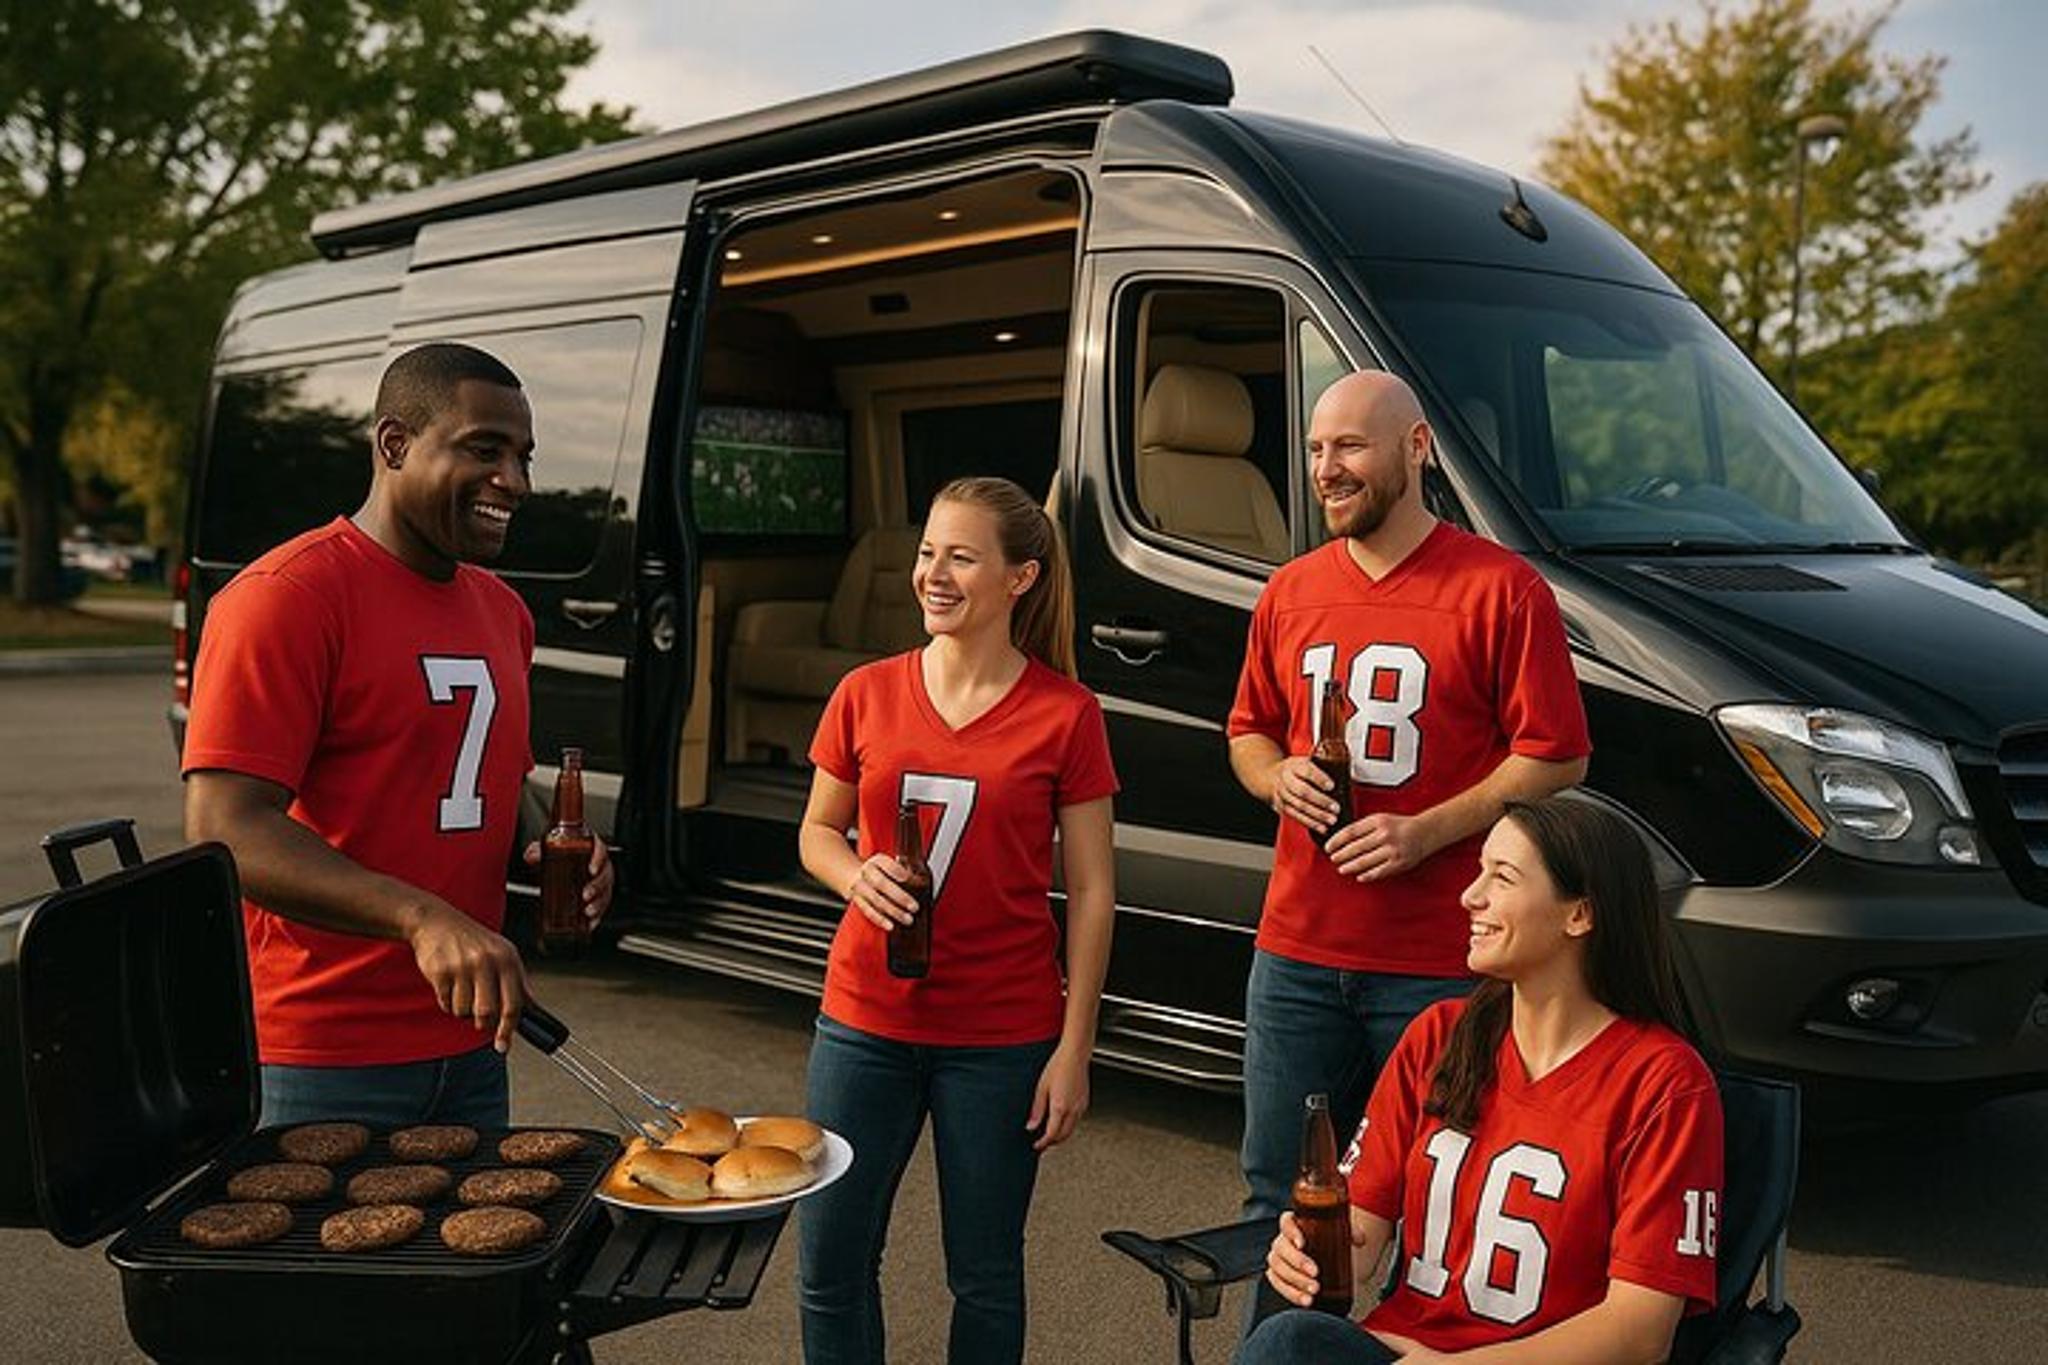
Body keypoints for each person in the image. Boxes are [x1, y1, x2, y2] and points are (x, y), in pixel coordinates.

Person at [1226, 369, 1591, 1329]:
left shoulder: (1501, 587)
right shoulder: (1290, 590)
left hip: (1435, 964)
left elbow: (1558, 757)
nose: (1325, 468)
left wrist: (1426, 828)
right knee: (1280, 1198)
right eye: (1313, 449)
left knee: (1433, 1208)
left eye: (1349, 446)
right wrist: (1275, 777)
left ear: (1417, 446)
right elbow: (1247, 732)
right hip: (1297, 952)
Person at [182, 342, 613, 1128]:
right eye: (484, 449)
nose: (514, 482)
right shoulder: (287, 597)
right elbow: (227, 830)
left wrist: (562, 850)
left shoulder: (504, 610)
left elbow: (493, 785)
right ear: (394, 445)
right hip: (317, 1058)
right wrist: (421, 916)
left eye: (522, 457)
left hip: (476, 1040)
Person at [795, 476, 1117, 1365]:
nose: (933, 573)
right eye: (928, 552)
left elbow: (1091, 891)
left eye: (961, 557)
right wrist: (857, 877)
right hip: (863, 1024)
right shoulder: (865, 691)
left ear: (1020, 578)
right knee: (830, 1262)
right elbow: (816, 833)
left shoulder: (1067, 714)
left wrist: (1073, 1049)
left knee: (983, 1274)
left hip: (1003, 1039)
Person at [1245, 796, 1724, 1363]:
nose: (1471, 896)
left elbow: (1641, 1334)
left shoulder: (1664, 1085)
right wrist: (1304, 1250)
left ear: (1580, 914)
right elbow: (1360, 1242)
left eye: (1502, 877)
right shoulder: (1439, 1035)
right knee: (1290, 1338)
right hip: (1401, 1350)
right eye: (1479, 871)